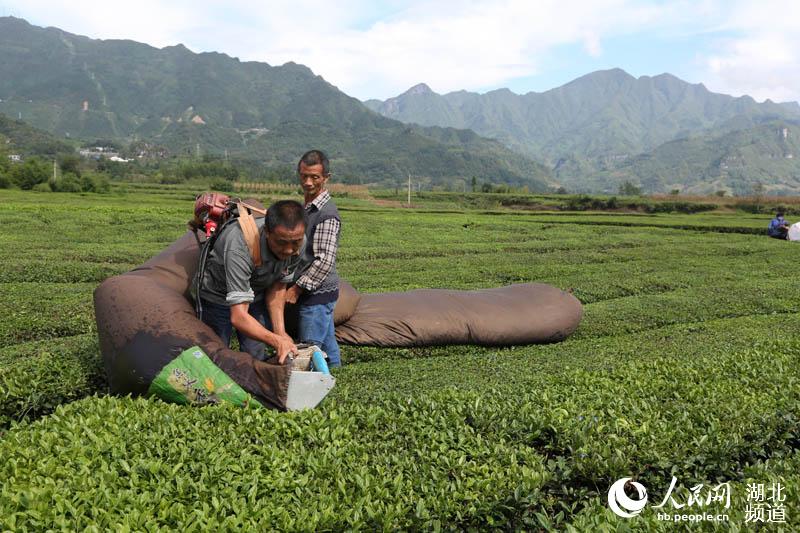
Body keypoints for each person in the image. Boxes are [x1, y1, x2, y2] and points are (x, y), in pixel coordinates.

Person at [196, 200, 307, 362]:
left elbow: (278, 285)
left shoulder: (300, 241)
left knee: (255, 352)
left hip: (256, 292)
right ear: (267, 232)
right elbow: (239, 316)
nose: (289, 250)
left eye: (295, 242)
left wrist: (280, 332)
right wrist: (277, 341)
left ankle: (251, 383)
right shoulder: (240, 244)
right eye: (281, 242)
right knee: (216, 354)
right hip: (218, 295)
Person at [285, 150, 342, 367]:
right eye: (304, 176)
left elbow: (324, 260)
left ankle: (316, 389)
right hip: (317, 292)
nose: (308, 182)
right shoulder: (306, 207)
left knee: (310, 347)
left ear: (326, 177)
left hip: (316, 292)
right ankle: (338, 381)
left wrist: (297, 288)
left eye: (315, 177)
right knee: (327, 344)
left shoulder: (326, 214)